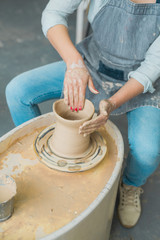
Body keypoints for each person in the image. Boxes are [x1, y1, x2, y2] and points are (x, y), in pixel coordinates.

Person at [6, 0, 160, 228]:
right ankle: (45, 154)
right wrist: (74, 64)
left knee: (148, 152)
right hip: (92, 64)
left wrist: (112, 102)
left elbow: (151, 69)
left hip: (142, 83)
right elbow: (53, 13)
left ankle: (130, 184)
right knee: (18, 91)